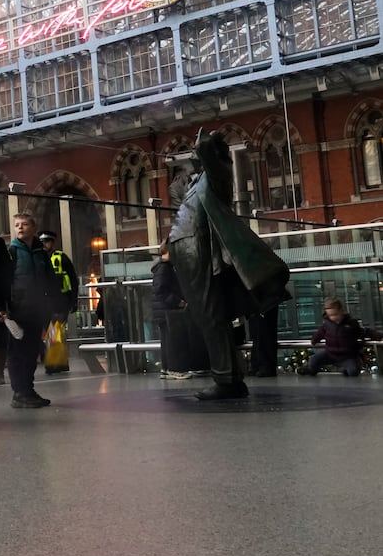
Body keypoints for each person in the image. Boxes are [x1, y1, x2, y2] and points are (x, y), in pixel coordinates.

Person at [168, 129, 290, 401]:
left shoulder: (217, 177)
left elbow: (207, 156)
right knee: (208, 316)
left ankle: (226, 379)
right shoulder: (195, 185)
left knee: (211, 316)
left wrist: (207, 145)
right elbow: (176, 192)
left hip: (200, 252)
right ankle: (229, 376)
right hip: (190, 253)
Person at [7, 213, 62, 408]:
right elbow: (5, 281)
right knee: (18, 352)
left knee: (31, 352)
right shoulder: (11, 252)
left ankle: (27, 389)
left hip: (37, 310)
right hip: (18, 311)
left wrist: (54, 305)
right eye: (16, 225)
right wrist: (7, 308)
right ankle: (19, 392)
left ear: (33, 228)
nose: (20, 228)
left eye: (24, 224)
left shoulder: (40, 254)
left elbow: (50, 280)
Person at [298, 297, 379, 377]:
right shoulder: (327, 324)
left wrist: (378, 336)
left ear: (341, 311)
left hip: (347, 356)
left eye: (335, 314)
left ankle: (347, 371)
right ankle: (311, 371)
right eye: (330, 315)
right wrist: (314, 340)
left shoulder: (351, 323)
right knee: (314, 359)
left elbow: (363, 332)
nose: (333, 318)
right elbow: (320, 333)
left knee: (353, 371)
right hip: (330, 354)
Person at [37, 230, 78, 374]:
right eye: (42, 242)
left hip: (61, 300)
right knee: (49, 333)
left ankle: (56, 363)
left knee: (56, 332)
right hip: (43, 301)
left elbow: (73, 279)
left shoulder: (61, 257)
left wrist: (74, 299)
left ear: (52, 242)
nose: (45, 244)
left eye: (47, 241)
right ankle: (54, 361)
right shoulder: (37, 258)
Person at [150, 240, 188, 378]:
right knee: (172, 340)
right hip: (167, 309)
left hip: (162, 309)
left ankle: (166, 368)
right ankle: (174, 369)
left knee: (166, 340)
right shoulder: (165, 267)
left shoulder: (162, 267)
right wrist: (178, 302)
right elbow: (161, 290)